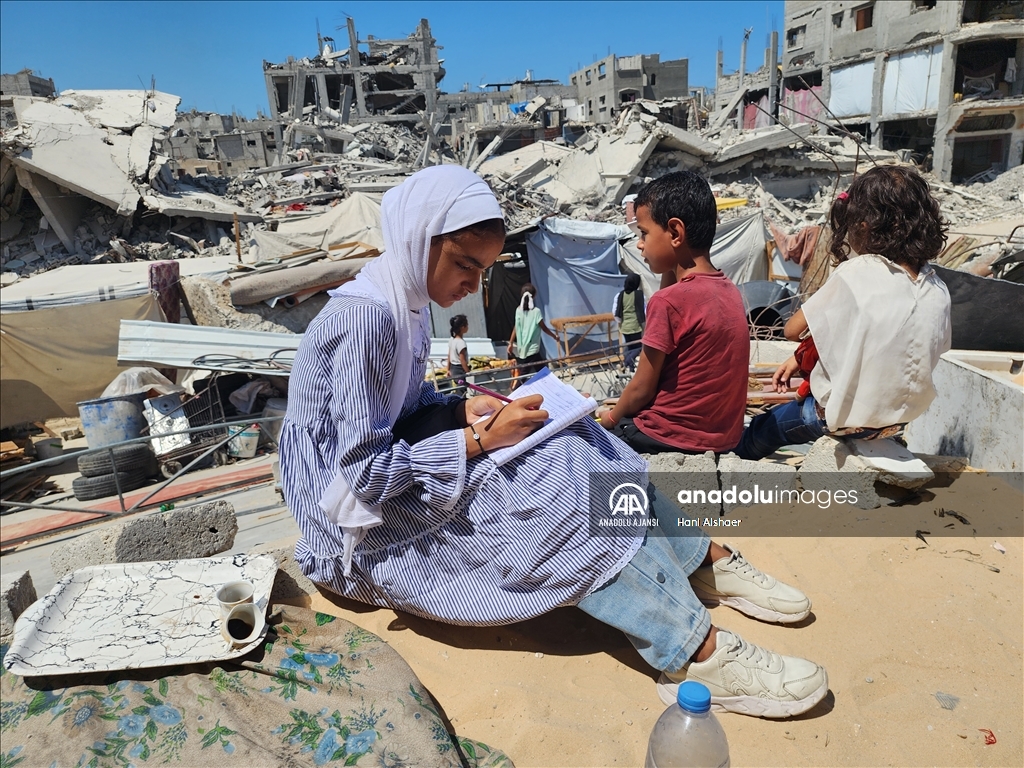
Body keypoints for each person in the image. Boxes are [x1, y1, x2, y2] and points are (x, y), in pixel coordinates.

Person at [280, 165, 827, 718]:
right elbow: (360, 475)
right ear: (418, 238)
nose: (472, 285)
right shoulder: (369, 319)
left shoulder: (406, 305)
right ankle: (694, 648)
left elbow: (398, 406)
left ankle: (698, 558)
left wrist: (457, 407)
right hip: (354, 526)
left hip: (390, 480)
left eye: (483, 269)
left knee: (583, 437)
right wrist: (477, 439)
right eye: (465, 265)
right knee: (556, 490)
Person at [734, 165, 952, 460]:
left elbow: (791, 330)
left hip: (839, 419)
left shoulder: (859, 273)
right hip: (899, 420)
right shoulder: (937, 288)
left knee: (761, 429)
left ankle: (736, 471)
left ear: (863, 226)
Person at [599, 172, 750, 456]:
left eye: (644, 233)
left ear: (676, 233)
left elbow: (641, 390)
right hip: (725, 439)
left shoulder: (669, 303)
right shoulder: (729, 290)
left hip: (670, 436)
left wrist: (610, 417)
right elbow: (675, 285)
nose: (640, 244)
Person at [507, 283, 558, 386]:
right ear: (534, 296)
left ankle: (550, 386)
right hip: (532, 348)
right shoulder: (536, 312)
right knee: (524, 374)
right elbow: (543, 327)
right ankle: (516, 391)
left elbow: (516, 327)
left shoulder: (518, 310)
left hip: (524, 347)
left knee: (541, 369)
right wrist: (554, 336)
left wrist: (511, 343)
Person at [613, 273, 646, 369]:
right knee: (638, 348)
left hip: (624, 326)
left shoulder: (620, 295)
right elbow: (645, 310)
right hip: (636, 326)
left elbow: (615, 311)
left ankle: (630, 367)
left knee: (630, 347)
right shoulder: (639, 295)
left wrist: (619, 322)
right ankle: (626, 363)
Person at [444, 314, 469, 395]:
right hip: (459, 369)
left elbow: (449, 355)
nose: (468, 327)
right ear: (462, 327)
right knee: (462, 390)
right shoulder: (461, 343)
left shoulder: (452, 340)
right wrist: (468, 372)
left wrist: (448, 369)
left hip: (453, 368)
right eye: (466, 324)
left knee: (457, 388)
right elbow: (462, 360)